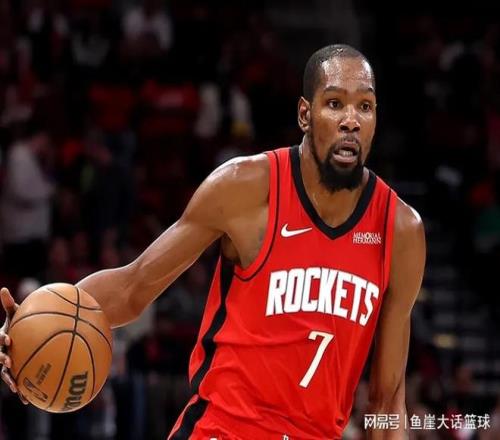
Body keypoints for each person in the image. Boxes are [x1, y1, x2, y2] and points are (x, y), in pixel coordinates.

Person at [0, 44, 426, 439]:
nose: (351, 120)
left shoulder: (401, 231)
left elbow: (387, 400)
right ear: (305, 114)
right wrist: (31, 326)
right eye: (334, 103)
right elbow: (133, 287)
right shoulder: (245, 188)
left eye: (365, 106)